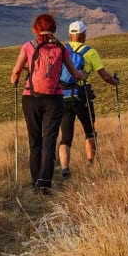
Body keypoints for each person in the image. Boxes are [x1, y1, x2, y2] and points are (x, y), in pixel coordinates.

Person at [10, 14, 86, 194]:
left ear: (35, 29)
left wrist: (14, 80)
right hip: (54, 98)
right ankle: (44, 183)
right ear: (54, 28)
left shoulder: (29, 46)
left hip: (31, 97)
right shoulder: (61, 48)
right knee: (49, 140)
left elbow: (16, 72)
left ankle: (35, 180)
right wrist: (82, 75)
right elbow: (74, 73)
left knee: (34, 140)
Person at [58, 19, 120, 178]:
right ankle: (90, 163)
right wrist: (115, 83)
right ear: (83, 34)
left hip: (62, 97)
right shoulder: (90, 52)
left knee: (65, 136)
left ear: (70, 35)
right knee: (89, 131)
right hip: (82, 97)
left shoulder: (61, 50)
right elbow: (104, 75)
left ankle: (65, 169)